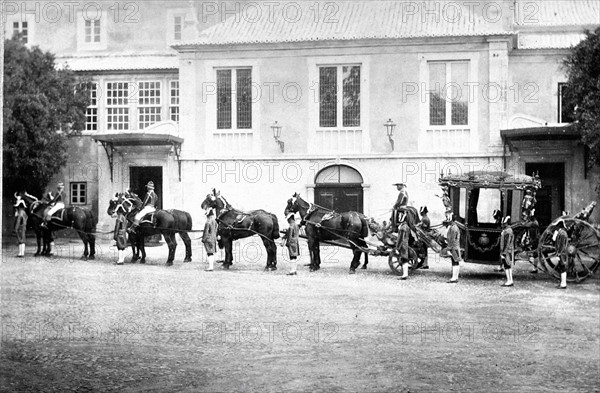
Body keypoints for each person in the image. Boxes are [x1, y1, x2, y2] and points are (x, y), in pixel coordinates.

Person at [446, 214, 461, 283]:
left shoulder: (453, 228)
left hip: (453, 247)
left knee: (454, 262)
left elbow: (451, 239)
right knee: (456, 262)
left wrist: (448, 248)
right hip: (456, 247)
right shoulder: (455, 227)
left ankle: (454, 278)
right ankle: (455, 277)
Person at [500, 216, 515, 287]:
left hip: (507, 251)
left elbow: (506, 243)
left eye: (503, 223)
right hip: (509, 251)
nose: (502, 224)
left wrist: (503, 252)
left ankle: (509, 280)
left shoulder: (507, 231)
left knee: (507, 266)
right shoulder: (509, 230)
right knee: (508, 266)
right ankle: (510, 280)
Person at [554, 220, 569, 289]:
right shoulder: (562, 232)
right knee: (561, 268)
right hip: (562, 253)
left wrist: (558, 254)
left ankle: (563, 284)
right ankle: (562, 283)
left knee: (563, 268)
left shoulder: (562, 233)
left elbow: (562, 245)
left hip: (562, 253)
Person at [396, 212, 410, 280]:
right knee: (405, 259)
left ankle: (405, 275)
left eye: (399, 217)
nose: (398, 218)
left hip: (403, 245)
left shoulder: (402, 227)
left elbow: (400, 239)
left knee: (404, 259)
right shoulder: (406, 226)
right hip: (405, 243)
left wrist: (397, 248)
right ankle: (405, 274)